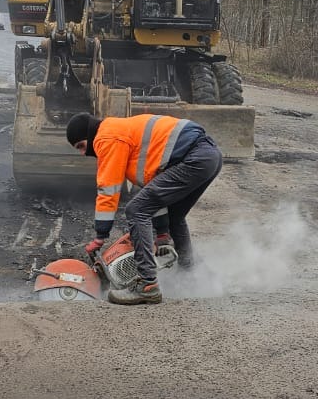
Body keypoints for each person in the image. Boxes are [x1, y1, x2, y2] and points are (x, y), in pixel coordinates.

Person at [66, 112, 222, 305]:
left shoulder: (106, 136)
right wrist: (163, 232)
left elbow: (108, 189)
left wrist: (100, 236)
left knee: (135, 210)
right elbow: (153, 191)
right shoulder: (124, 132)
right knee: (175, 215)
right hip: (209, 157)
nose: (83, 153)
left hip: (193, 158)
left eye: (81, 146)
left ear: (89, 135)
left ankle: (147, 285)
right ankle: (190, 275)